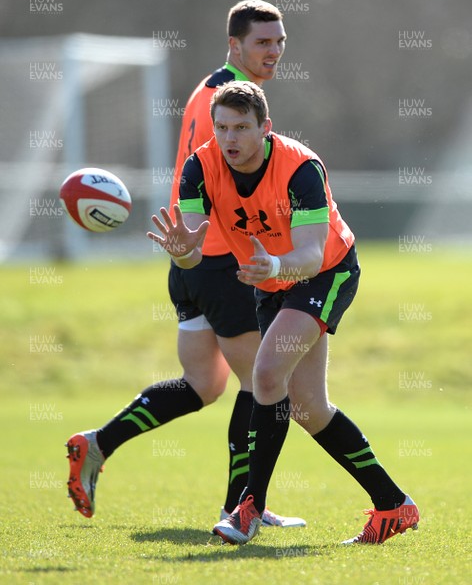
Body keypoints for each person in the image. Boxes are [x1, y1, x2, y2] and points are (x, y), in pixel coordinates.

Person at [147, 81, 420, 545]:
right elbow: (190, 246)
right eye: (221, 127)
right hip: (269, 280)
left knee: (267, 374)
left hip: (324, 273)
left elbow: (312, 255)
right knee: (307, 408)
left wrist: (273, 264)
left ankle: (247, 507)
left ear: (265, 128)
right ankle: (394, 504)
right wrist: (184, 254)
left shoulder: (300, 168)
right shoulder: (201, 166)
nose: (229, 138)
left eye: (241, 127)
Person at [65, 0, 305, 528]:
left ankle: (97, 443)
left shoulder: (212, 90)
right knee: (262, 384)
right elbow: (219, 182)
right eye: (264, 42)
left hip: (191, 262)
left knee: (202, 384)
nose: (275, 51)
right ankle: (240, 506)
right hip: (219, 261)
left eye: (280, 41)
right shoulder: (227, 102)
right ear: (234, 44)